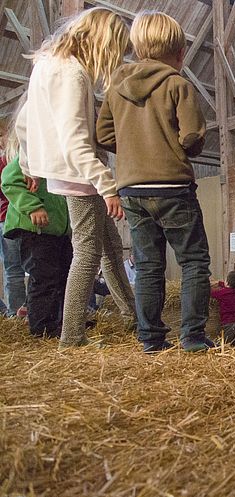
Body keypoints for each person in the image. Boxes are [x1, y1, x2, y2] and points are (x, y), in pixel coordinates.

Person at [16, 7, 136, 348]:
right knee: (86, 251)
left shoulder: (47, 64)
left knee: (110, 246)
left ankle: (131, 315)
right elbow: (75, 140)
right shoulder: (73, 73)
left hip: (71, 171)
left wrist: (27, 164)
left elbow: (24, 120)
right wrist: (108, 185)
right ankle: (71, 337)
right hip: (80, 173)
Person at [96, 10, 211, 353]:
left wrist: (133, 149)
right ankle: (191, 337)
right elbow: (192, 137)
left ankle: (150, 339)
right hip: (173, 186)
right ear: (179, 53)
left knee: (147, 266)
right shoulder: (178, 84)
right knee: (193, 261)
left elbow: (102, 133)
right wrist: (174, 145)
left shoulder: (117, 87)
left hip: (131, 190)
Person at [1, 126, 71, 338]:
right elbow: (9, 180)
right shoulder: (32, 152)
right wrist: (33, 207)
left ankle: (61, 322)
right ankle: (42, 328)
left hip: (56, 230)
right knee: (43, 278)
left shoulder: (55, 160)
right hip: (36, 229)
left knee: (62, 277)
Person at [0, 121, 27, 316]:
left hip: (16, 215)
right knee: (15, 269)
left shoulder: (12, 156)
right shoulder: (11, 158)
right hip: (9, 216)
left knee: (16, 269)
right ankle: (16, 310)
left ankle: (20, 310)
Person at [210, 271, 235, 346]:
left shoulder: (223, 293)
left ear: (227, 282)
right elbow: (229, 286)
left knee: (226, 345)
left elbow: (210, 293)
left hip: (229, 324)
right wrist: (219, 283)